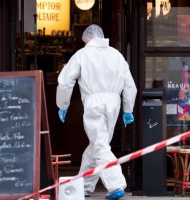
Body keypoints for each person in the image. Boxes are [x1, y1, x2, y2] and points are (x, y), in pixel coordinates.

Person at [56, 24, 137, 199]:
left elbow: (65, 82)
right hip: (114, 103)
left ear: (86, 39)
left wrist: (62, 105)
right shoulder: (117, 55)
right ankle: (84, 185)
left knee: (100, 145)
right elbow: (130, 85)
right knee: (96, 145)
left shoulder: (82, 55)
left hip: (93, 103)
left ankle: (116, 185)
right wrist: (128, 109)